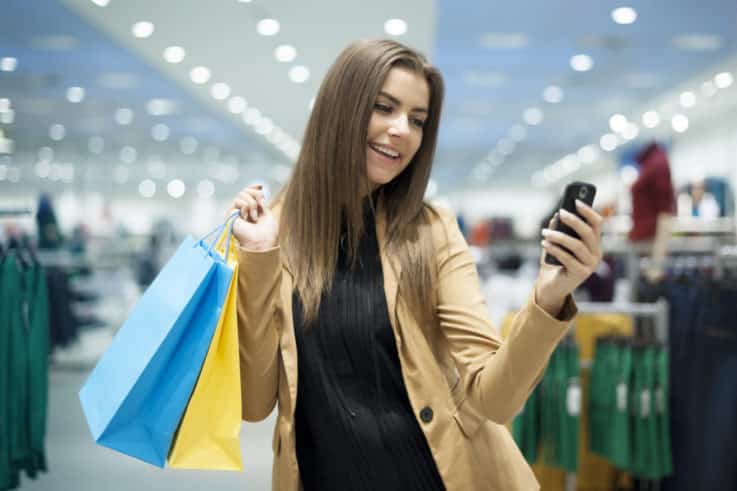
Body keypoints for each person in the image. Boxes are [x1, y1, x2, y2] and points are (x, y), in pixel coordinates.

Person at [228, 39, 603, 491]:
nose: (402, 129)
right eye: (384, 107)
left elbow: (495, 399)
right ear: (339, 109)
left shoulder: (432, 230)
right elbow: (254, 401)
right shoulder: (271, 236)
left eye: (417, 119)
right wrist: (258, 261)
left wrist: (548, 298)